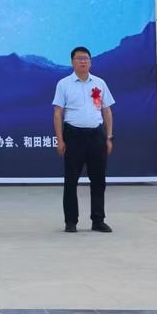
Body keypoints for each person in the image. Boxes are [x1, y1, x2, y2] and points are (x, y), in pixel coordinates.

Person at [53, 46, 115, 233]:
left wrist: (109, 136)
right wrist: (60, 139)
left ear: (90, 62)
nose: (83, 61)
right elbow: (58, 113)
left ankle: (98, 220)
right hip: (73, 135)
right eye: (79, 58)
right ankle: (71, 221)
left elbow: (106, 111)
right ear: (72, 62)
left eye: (86, 58)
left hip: (97, 135)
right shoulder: (64, 84)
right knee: (71, 180)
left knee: (99, 180)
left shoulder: (100, 83)